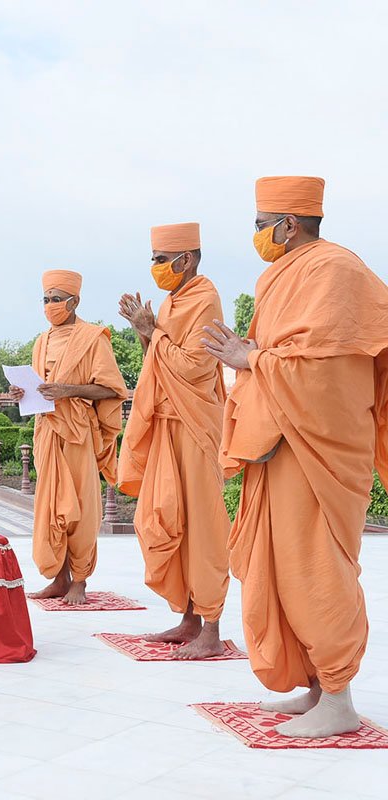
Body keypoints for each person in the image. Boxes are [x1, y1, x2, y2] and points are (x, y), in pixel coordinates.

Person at [204, 176, 388, 737]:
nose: (257, 235)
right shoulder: (277, 276)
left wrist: (251, 355)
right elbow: (280, 357)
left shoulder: (335, 271)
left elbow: (328, 371)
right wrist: (253, 357)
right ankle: (315, 686)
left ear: (288, 223)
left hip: (319, 450)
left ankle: (339, 698)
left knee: (317, 571)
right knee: (281, 570)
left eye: (261, 225)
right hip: (279, 444)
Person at [117, 223, 230, 658]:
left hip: (196, 427)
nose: (156, 268)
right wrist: (146, 331)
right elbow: (158, 364)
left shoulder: (205, 298)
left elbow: (193, 367)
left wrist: (154, 331)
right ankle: (188, 618)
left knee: (203, 527)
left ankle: (212, 630)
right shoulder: (170, 302)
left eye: (161, 260)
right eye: (153, 259)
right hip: (167, 425)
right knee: (162, 518)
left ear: (187, 259)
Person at [10, 270, 126, 605]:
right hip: (47, 429)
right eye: (46, 299)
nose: (50, 306)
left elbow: (111, 388)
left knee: (81, 507)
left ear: (74, 301)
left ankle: (81, 580)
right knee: (50, 506)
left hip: (77, 431)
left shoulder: (93, 338)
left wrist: (68, 390)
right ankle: (59, 578)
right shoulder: (41, 341)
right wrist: (21, 392)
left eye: (56, 299)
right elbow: (40, 387)